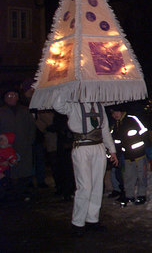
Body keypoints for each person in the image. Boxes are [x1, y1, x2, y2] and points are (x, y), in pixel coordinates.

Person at [51, 94, 118, 236]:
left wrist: (112, 150)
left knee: (97, 185)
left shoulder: (99, 106)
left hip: (98, 147)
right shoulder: (73, 104)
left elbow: (105, 130)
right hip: (82, 147)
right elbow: (58, 106)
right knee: (85, 186)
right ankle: (78, 223)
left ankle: (92, 219)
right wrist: (63, 88)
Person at [109, 103, 149, 206]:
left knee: (141, 176)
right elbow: (115, 142)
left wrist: (144, 146)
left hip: (139, 154)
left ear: (121, 111)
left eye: (116, 112)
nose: (115, 115)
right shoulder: (116, 126)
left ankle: (141, 195)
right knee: (128, 177)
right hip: (127, 156)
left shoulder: (132, 119)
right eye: (113, 113)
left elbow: (144, 132)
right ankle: (129, 196)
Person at [0, 89, 36, 201]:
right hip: (6, 147)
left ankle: (25, 192)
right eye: (9, 95)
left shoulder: (25, 110)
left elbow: (31, 127)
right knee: (8, 170)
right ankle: (9, 193)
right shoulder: (1, 111)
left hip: (23, 144)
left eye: (14, 95)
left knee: (24, 169)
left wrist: (29, 141)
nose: (12, 97)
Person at [0, 132, 18, 199]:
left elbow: (12, 158)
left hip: (4, 169)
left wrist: (12, 161)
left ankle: (5, 193)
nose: (1, 142)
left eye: (3, 140)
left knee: (4, 181)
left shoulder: (9, 150)